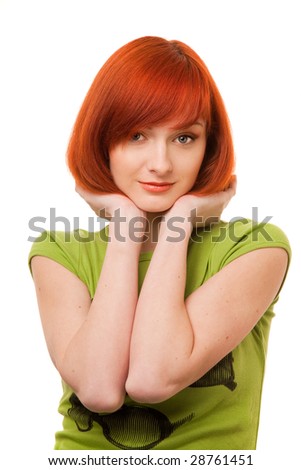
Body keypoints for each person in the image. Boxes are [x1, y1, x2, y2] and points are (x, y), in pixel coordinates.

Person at [29, 36, 291, 450]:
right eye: (136, 135)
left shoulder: (254, 247)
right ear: (102, 142)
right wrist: (126, 229)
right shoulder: (60, 252)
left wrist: (181, 220)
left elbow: (153, 378)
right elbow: (98, 389)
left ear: (209, 146)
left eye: (184, 138)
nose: (161, 163)